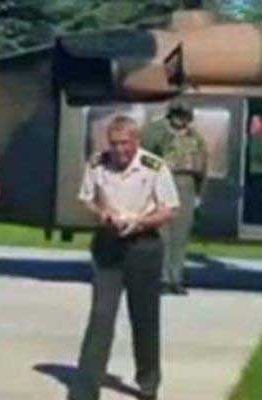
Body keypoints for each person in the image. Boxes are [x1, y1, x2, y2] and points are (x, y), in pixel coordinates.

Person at [69, 115, 179, 400]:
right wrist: (102, 214)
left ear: (136, 142)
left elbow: (169, 210)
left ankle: (148, 381)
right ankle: (86, 388)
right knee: (101, 315)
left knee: (144, 316)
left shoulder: (154, 167)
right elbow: (86, 199)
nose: (119, 150)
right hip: (108, 244)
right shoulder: (97, 163)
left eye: (125, 144)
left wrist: (141, 222)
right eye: (114, 144)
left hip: (143, 245)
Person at [143, 101, 207, 295]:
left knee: (181, 235)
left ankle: (176, 278)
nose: (181, 119)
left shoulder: (195, 137)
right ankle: (162, 278)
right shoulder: (157, 132)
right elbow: (145, 156)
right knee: (163, 234)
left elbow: (203, 166)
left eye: (185, 115)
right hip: (163, 181)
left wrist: (199, 194)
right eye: (178, 114)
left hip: (187, 184)